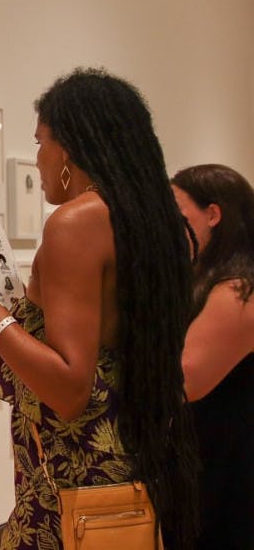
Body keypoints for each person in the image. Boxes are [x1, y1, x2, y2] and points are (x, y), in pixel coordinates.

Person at [0, 68, 198, 548]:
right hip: (131, 457)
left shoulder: (75, 223)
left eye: (41, 143)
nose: (37, 160)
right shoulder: (158, 222)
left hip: (75, 483)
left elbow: (69, 386)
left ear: (69, 149)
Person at [171, 164, 254, 549]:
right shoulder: (212, 278)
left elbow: (186, 379)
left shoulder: (239, 288)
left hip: (224, 464)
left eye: (178, 214)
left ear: (214, 214)